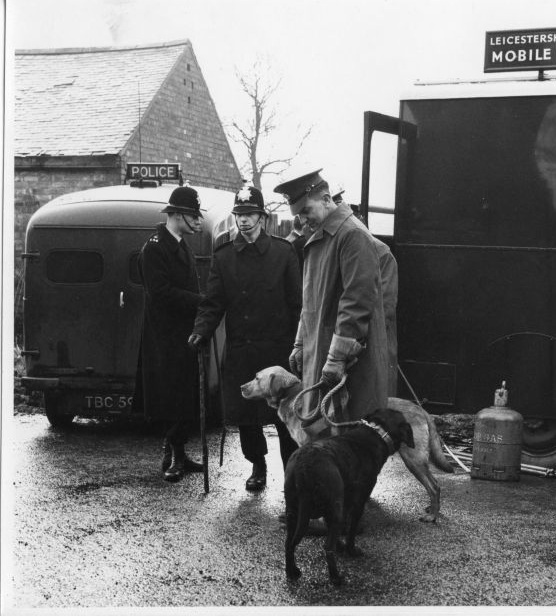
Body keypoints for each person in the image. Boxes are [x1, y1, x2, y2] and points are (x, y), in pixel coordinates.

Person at [188, 186, 302, 491]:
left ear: (262, 217)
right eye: (239, 215)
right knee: (247, 417)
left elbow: (297, 303)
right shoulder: (224, 257)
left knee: (286, 416)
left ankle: (293, 472)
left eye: (250, 214)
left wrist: (301, 343)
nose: (244, 221)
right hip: (243, 350)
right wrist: (201, 330)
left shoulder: (283, 253)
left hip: (279, 351)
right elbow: (213, 302)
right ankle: (257, 466)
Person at [273, 169, 388, 427]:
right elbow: (310, 300)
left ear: (327, 199)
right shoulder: (321, 236)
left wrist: (337, 358)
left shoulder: (352, 235)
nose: (302, 221)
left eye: (306, 211)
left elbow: (356, 302)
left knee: (349, 446)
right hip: (323, 356)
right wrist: (301, 343)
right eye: (298, 215)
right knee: (326, 443)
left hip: (348, 365)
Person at [135, 186, 205, 482]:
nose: (197, 222)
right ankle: (173, 454)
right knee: (172, 395)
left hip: (184, 331)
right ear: (176, 215)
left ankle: (180, 452)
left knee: (186, 393)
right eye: (192, 216)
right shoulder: (155, 247)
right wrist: (200, 301)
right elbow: (161, 294)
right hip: (164, 335)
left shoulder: (180, 244)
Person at [331, 189, 399, 394]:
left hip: (369, 344)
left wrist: (349, 336)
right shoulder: (334, 248)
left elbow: (382, 308)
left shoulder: (381, 254)